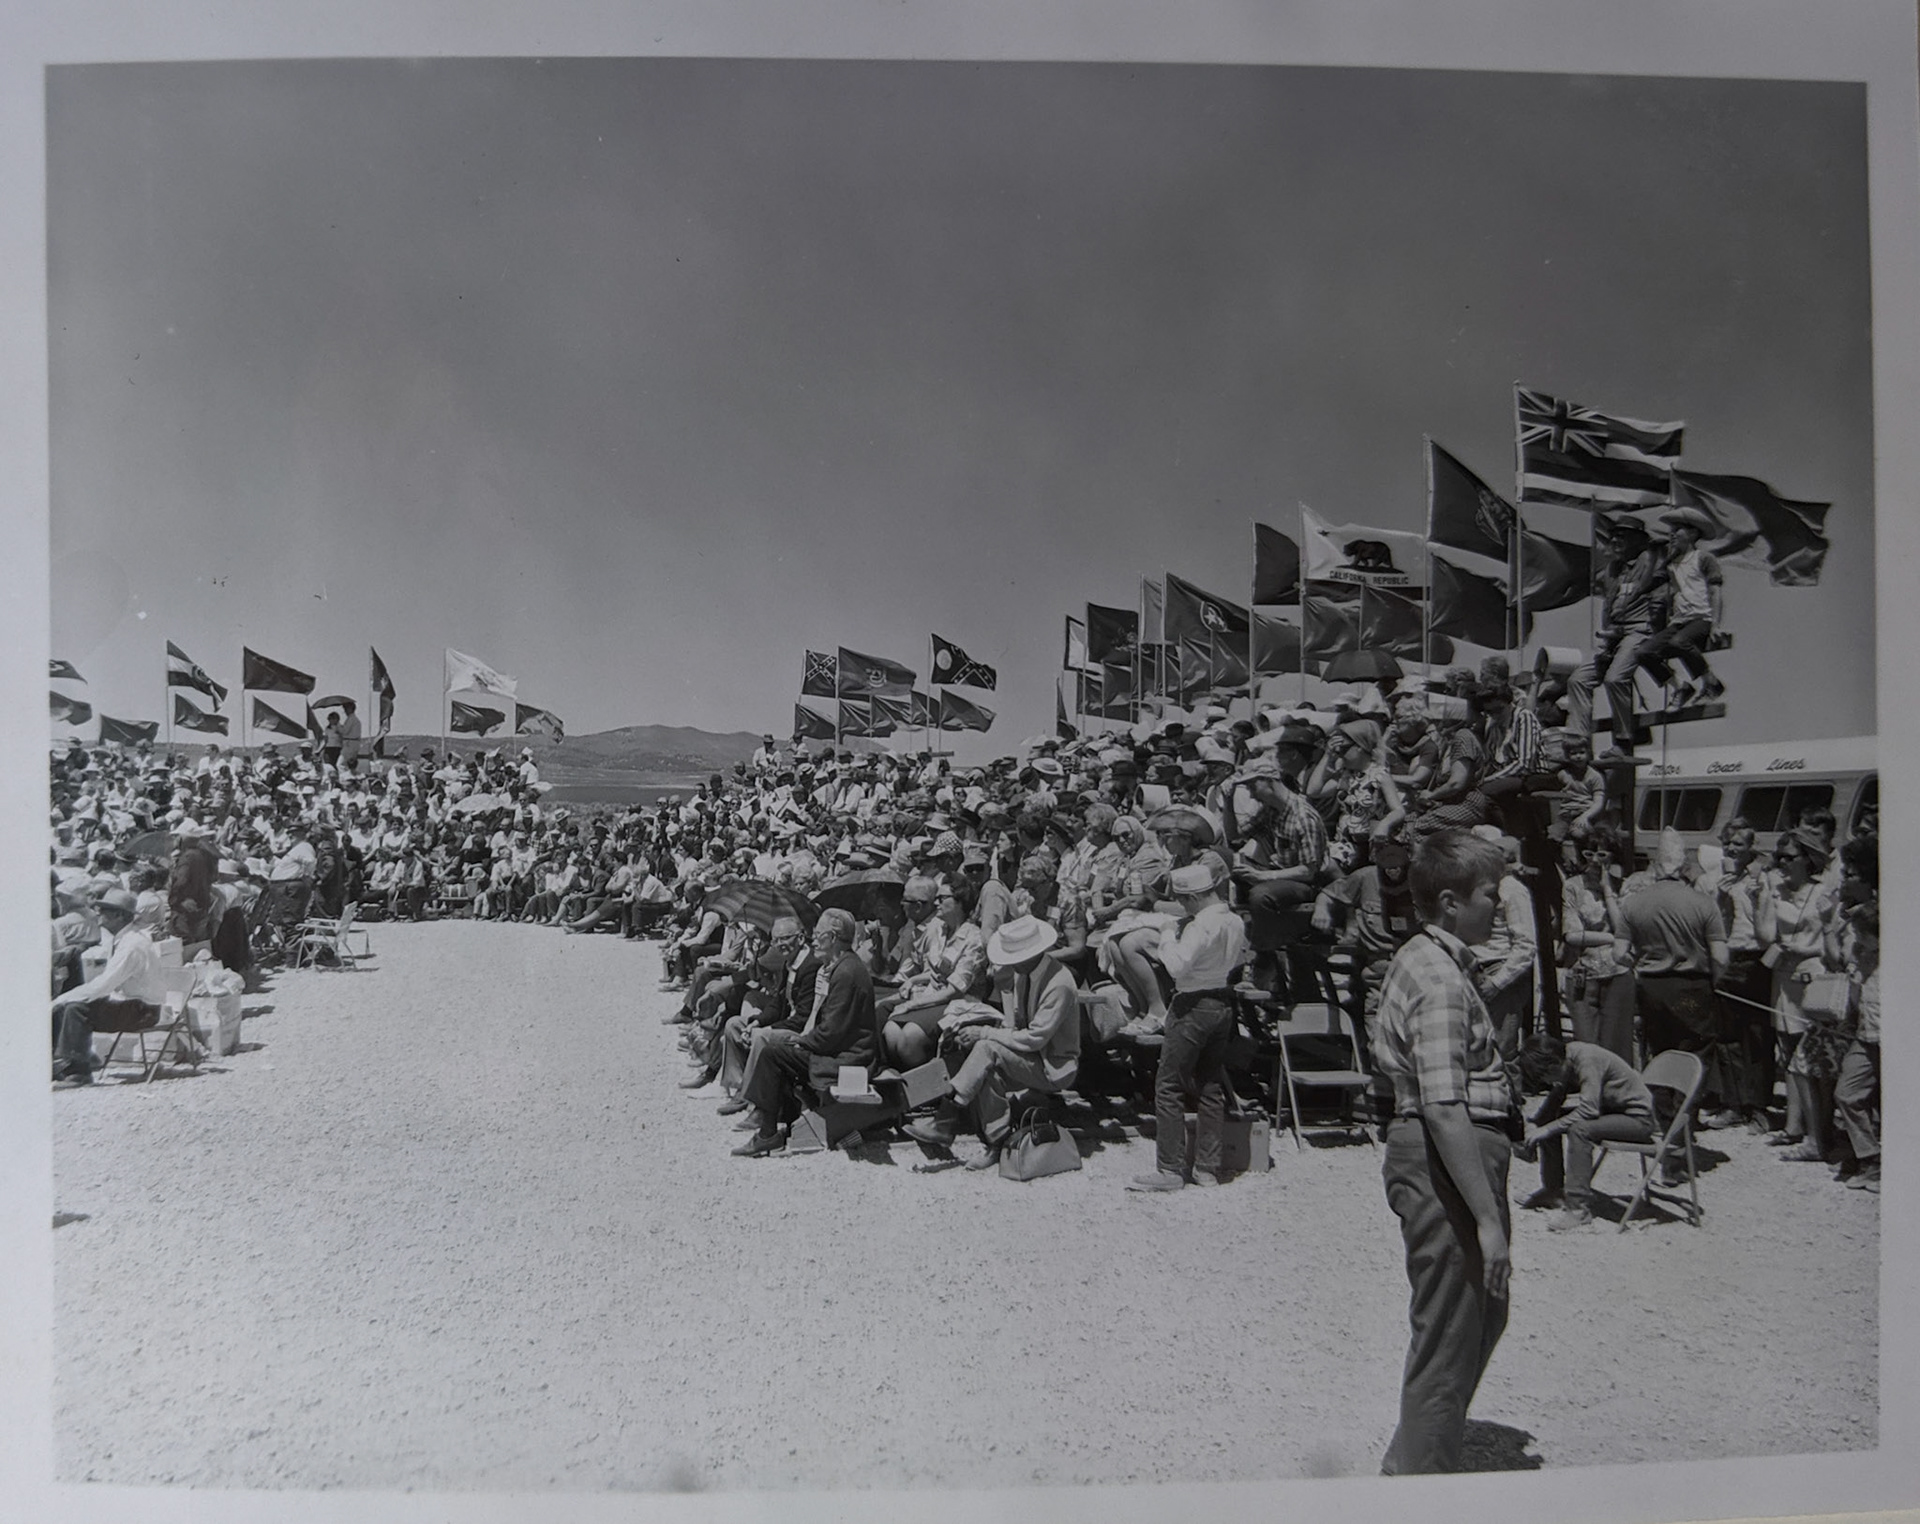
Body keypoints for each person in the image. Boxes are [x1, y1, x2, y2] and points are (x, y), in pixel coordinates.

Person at [1370, 829, 1516, 1475]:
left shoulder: (1430, 959)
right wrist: (1487, 1221)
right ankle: (1422, 1487)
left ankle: (1411, 1461)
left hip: (1442, 1155)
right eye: (1491, 894)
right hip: (1445, 1157)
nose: (1500, 906)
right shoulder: (1440, 978)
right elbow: (1443, 1103)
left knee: (1475, 1320)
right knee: (1451, 1335)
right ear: (1452, 901)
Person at [903, 915, 1081, 1169]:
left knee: (986, 1048)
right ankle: (998, 1141)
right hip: (1033, 1056)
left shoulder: (1058, 983)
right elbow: (1016, 1025)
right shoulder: (1025, 974)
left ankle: (947, 1119)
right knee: (983, 1064)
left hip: (1053, 1065)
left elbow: (1035, 1037)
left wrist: (985, 1032)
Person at [1127, 858, 1249, 1191]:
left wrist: (1167, 936)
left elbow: (1177, 966)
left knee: (1168, 1084)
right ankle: (1207, 1167)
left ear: (1192, 898)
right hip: (1222, 1000)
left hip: (1192, 1003)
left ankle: (1169, 1168)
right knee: (1210, 1085)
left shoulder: (1199, 925)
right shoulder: (1234, 921)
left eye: (1182, 900)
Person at [732, 908, 876, 1157]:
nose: (813, 939)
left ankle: (767, 1134)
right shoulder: (841, 966)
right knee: (780, 1051)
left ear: (832, 938)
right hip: (840, 1050)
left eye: (817, 934)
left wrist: (802, 1041)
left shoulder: (846, 972)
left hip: (850, 1057)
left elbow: (831, 1033)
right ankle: (783, 1119)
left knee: (773, 1054)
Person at [1515, 1035, 1657, 1231]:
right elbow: (1556, 1098)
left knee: (1579, 1129)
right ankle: (1553, 1191)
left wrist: (1546, 1129)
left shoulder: (1587, 1059)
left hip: (1638, 1120)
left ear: (1555, 1065)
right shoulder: (1567, 1057)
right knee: (1550, 1123)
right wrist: (1536, 1124)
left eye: (1546, 1077)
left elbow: (1589, 1110)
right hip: (1612, 1111)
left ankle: (1578, 1209)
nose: (1547, 1082)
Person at [51, 888, 171, 1085]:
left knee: (76, 1008)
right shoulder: (124, 939)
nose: (99, 914)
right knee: (69, 1005)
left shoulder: (132, 945)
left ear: (120, 915)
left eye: (105, 910)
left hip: (143, 1010)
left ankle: (79, 1072)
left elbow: (105, 985)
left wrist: (62, 998)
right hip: (133, 1003)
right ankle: (68, 1060)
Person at [1565, 518, 1662, 759]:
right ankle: (1579, 743)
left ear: (1639, 540)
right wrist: (1607, 637)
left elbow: (1665, 592)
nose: (1616, 540)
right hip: (1615, 636)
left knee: (1615, 678)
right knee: (1579, 679)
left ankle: (1623, 741)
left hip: (1641, 630)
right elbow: (1608, 606)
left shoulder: (1649, 561)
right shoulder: (1613, 570)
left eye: (1623, 535)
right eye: (1614, 536)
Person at [1637, 507, 1726, 709]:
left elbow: (1715, 591)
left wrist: (1716, 624)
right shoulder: (1671, 564)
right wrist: (1652, 558)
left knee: (1679, 642)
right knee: (1643, 652)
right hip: (1679, 621)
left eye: (1678, 530)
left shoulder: (1703, 558)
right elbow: (1645, 586)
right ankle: (1679, 687)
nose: (1672, 534)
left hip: (1700, 618)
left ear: (1693, 533)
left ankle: (1711, 682)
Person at [1559, 832, 1634, 1062]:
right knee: (1587, 1044)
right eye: (1588, 853)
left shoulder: (1624, 886)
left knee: (1617, 1046)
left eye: (1601, 854)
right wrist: (1611, 938)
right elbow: (1572, 934)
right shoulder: (1573, 887)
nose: (1594, 860)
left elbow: (1624, 929)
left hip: (1617, 971)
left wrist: (1608, 891)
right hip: (1584, 973)